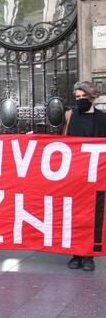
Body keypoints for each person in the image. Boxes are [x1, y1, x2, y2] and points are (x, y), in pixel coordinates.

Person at [63, 81, 106, 272]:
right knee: (74, 216)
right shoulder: (70, 116)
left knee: (93, 218)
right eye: (77, 97)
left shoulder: (103, 119)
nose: (80, 100)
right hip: (75, 177)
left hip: (96, 177)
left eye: (83, 97)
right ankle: (76, 254)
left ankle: (89, 256)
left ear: (92, 97)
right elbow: (59, 141)